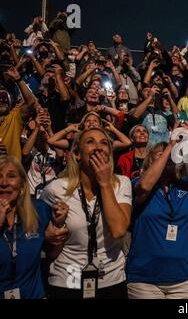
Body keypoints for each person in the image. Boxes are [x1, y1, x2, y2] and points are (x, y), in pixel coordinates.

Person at [40, 127, 132, 299]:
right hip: (67, 280)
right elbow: (46, 242)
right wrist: (50, 234)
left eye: (104, 143)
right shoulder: (56, 188)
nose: (98, 147)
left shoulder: (121, 183)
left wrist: (105, 183)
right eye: (90, 142)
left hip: (110, 279)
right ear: (77, 154)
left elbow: (119, 230)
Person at [126, 123, 188, 299]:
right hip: (145, 280)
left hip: (183, 279)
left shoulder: (187, 186)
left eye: (172, 156)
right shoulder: (137, 182)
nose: (168, 158)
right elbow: (145, 186)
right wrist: (170, 145)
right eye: (161, 155)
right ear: (151, 161)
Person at [0, 155, 68, 299]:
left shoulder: (39, 210)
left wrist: (58, 225)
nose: (4, 182)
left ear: (23, 185)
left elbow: (53, 253)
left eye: (11, 176)